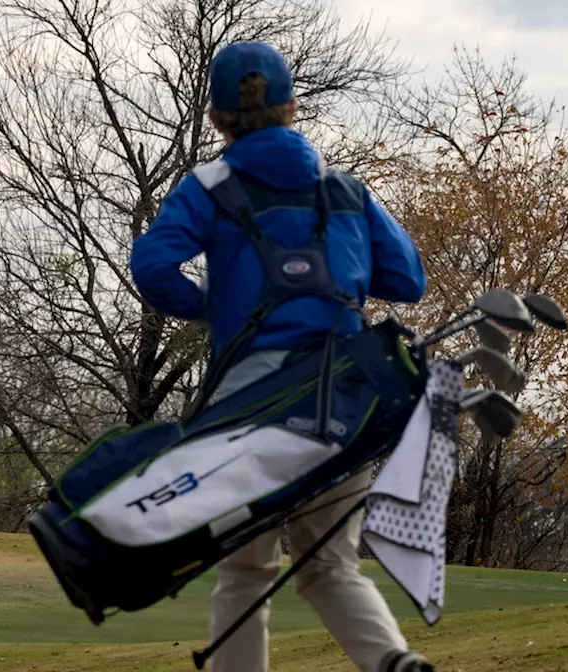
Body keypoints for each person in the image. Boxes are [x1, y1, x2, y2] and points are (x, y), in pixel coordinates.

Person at [129, 41, 433, 672]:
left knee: (245, 571)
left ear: (216, 117)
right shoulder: (345, 190)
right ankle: (395, 663)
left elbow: (152, 265)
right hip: (343, 399)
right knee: (328, 564)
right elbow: (406, 280)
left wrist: (209, 305)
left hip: (251, 406)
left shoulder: (208, 186)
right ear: (293, 106)